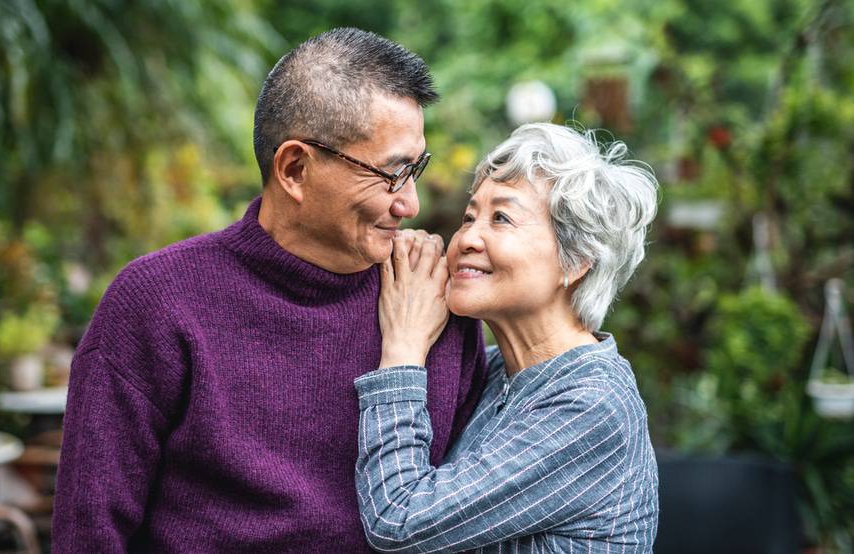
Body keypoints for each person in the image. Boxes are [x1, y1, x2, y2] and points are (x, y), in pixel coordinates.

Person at [52, 28, 486, 553]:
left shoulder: (433, 300)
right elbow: (89, 534)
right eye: (391, 174)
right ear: (295, 169)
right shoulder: (157, 304)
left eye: (416, 168)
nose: (410, 204)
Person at [354, 123, 660, 552]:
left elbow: (400, 520)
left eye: (501, 218)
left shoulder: (593, 404)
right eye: (469, 216)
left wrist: (403, 349)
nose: (466, 239)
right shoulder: (498, 370)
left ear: (576, 261)